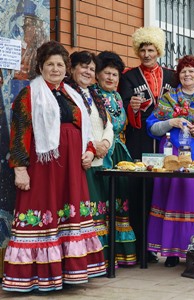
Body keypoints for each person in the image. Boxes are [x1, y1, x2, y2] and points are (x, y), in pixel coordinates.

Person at [2, 40, 106, 293]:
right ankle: (37, 275)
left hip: (71, 168)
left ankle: (69, 272)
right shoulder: (29, 94)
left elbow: (86, 129)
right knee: (41, 213)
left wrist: (90, 151)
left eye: (60, 64)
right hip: (42, 168)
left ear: (66, 68)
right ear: (40, 66)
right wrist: (20, 168)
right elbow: (19, 133)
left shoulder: (73, 94)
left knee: (68, 216)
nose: (56, 69)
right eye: (50, 64)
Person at [119, 26, 178, 263]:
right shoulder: (128, 76)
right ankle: (143, 246)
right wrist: (131, 107)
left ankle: (171, 248)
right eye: (142, 49)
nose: (146, 54)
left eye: (150, 49)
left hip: (167, 141)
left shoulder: (172, 76)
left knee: (166, 192)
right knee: (140, 191)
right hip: (139, 139)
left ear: (158, 51)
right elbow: (122, 107)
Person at [146, 55, 194, 267]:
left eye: (192, 70)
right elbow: (152, 128)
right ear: (178, 74)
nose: (187, 74)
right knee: (170, 201)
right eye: (183, 70)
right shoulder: (168, 98)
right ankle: (171, 252)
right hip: (171, 158)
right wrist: (169, 122)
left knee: (192, 203)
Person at [65, 51, 115, 266]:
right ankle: (84, 261)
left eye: (91, 69)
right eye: (83, 66)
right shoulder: (68, 94)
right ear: (72, 68)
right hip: (82, 162)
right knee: (86, 214)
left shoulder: (94, 95)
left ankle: (99, 260)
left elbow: (108, 125)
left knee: (99, 213)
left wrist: (105, 143)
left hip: (99, 162)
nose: (87, 72)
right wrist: (93, 148)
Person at [93, 50, 137, 267]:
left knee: (120, 201)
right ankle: (101, 256)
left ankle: (120, 254)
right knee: (101, 201)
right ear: (98, 75)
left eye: (115, 75)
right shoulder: (92, 94)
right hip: (101, 153)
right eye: (106, 73)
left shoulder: (119, 97)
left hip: (119, 153)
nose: (110, 78)